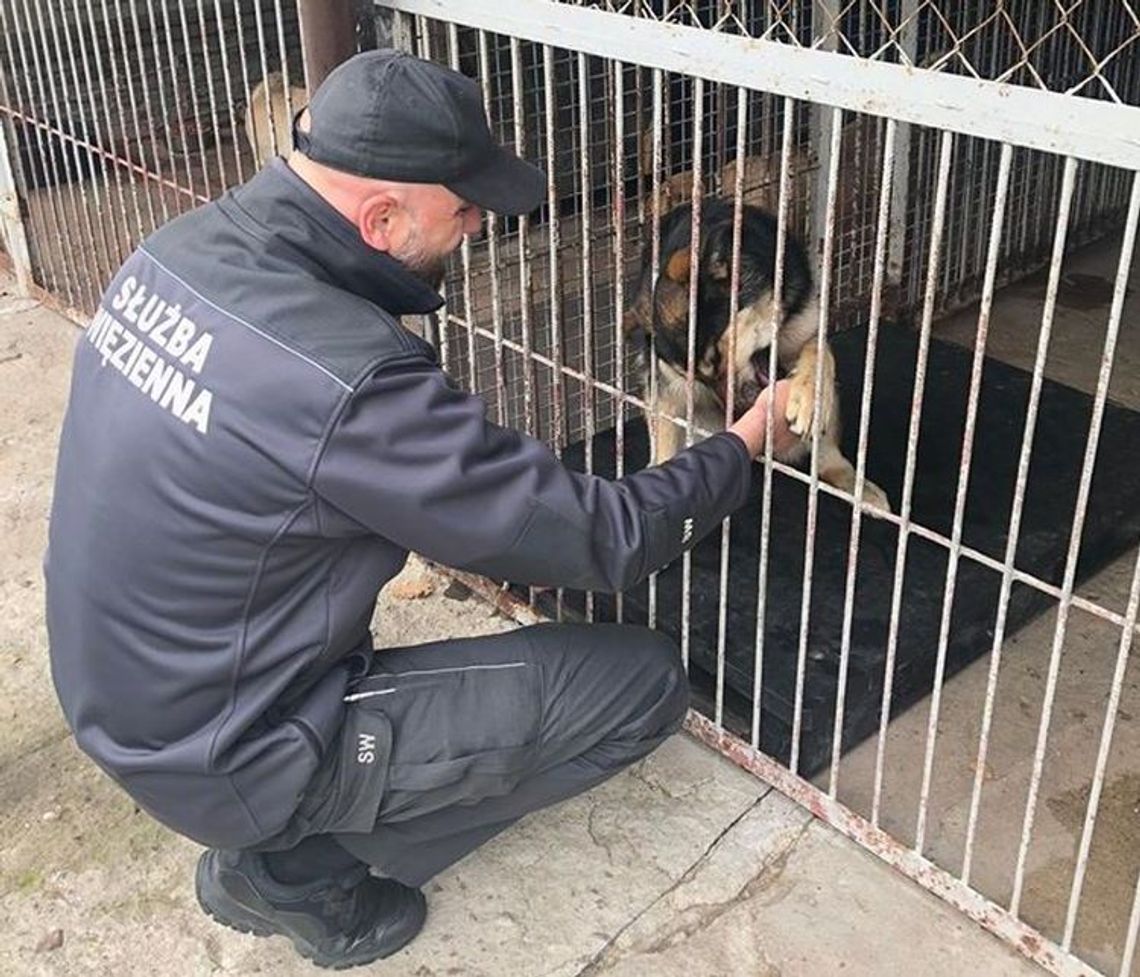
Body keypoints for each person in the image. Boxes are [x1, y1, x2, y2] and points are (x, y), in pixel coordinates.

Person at [44, 49, 797, 970]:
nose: (478, 223)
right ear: (381, 215)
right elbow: (606, 537)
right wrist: (746, 441)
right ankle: (293, 872)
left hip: (125, 692)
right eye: (464, 206)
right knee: (639, 684)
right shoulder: (344, 379)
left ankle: (279, 817)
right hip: (236, 745)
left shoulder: (176, 249)